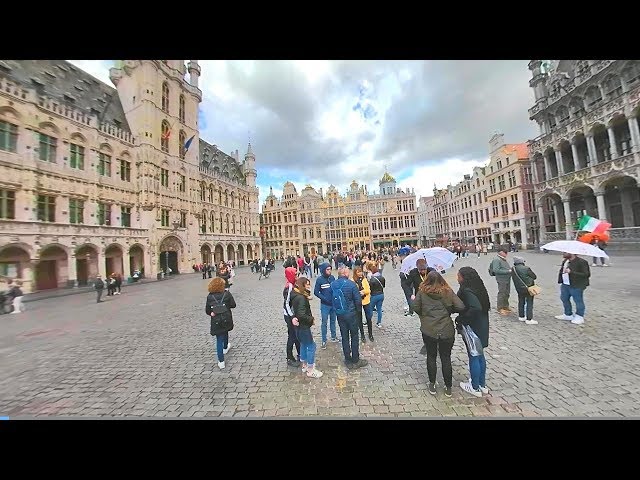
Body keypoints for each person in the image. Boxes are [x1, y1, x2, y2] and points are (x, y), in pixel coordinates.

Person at [412, 271, 465, 397]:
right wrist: (449, 310)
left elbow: (415, 307)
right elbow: (461, 306)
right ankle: (448, 387)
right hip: (446, 329)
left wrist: (424, 315)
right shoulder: (447, 291)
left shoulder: (422, 292)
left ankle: (432, 384)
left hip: (429, 329)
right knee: (446, 358)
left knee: (431, 356)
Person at [456, 267, 490, 397]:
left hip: (473, 326)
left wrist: (462, 319)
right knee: (480, 354)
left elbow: (475, 307)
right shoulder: (478, 287)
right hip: (482, 324)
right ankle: (482, 384)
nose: (457, 277)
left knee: (474, 354)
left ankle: (474, 387)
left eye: (458, 275)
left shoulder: (467, 290)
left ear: (464, 277)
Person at [333, 265, 368, 370]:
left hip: (340, 314)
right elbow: (358, 301)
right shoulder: (352, 284)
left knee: (344, 336)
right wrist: (358, 313)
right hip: (352, 314)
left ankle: (347, 358)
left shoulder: (333, 284)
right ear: (345, 274)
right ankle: (355, 359)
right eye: (348, 272)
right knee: (354, 336)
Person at [290, 276, 323, 378]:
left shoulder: (295, 295)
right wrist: (311, 319)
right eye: (307, 284)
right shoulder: (301, 298)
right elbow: (301, 314)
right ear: (302, 285)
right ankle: (310, 369)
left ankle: (304, 365)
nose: (309, 286)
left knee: (303, 344)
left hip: (299, 326)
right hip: (303, 326)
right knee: (311, 346)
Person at [205, 277, 237, 369]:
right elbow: (233, 305)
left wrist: (211, 312)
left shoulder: (210, 296)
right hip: (226, 317)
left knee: (219, 338)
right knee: (225, 330)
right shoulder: (226, 294)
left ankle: (221, 361)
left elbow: (207, 310)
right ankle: (225, 347)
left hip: (216, 320)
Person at [555, 252, 590, 325]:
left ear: (572, 253)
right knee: (564, 298)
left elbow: (586, 274)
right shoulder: (565, 261)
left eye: (565, 252)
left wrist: (572, 272)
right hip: (565, 283)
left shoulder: (582, 262)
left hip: (577, 284)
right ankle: (568, 314)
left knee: (578, 300)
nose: (563, 253)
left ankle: (579, 316)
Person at [314, 262, 338, 348]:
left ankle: (333, 336)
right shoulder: (319, 280)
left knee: (333, 321)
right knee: (324, 322)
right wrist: (324, 298)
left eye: (330, 269)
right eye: (327, 269)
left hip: (333, 304)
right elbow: (316, 292)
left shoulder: (332, 278)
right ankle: (324, 340)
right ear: (324, 270)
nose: (329, 271)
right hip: (325, 305)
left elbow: (335, 288)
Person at [283, 266, 301, 367]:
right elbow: (286, 304)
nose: (297, 276)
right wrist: (292, 316)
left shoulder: (293, 284)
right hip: (290, 315)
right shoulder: (289, 286)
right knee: (292, 336)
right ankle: (289, 357)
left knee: (296, 335)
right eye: (295, 275)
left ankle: (300, 353)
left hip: (293, 314)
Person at [511, 256, 538, 325]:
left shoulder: (513, 269)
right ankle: (529, 319)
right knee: (529, 303)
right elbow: (534, 276)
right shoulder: (526, 268)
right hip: (528, 288)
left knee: (521, 302)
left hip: (519, 288)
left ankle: (521, 316)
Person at [489, 247, 512, 315]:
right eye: (505, 252)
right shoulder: (497, 260)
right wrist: (508, 271)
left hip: (507, 278)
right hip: (501, 279)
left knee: (507, 292)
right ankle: (500, 308)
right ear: (500, 252)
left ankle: (505, 306)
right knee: (502, 292)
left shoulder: (503, 259)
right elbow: (496, 270)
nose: (506, 254)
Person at [353, 266, 374, 343]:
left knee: (369, 317)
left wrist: (363, 292)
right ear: (355, 273)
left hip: (366, 301)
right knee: (359, 319)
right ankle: (362, 335)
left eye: (361, 271)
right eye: (358, 272)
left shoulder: (365, 280)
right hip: (358, 302)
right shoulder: (353, 281)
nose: (360, 273)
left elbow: (368, 290)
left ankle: (370, 334)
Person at [367, 261, 386, 328]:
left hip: (374, 295)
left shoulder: (372, 279)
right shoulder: (382, 277)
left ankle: (368, 321)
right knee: (379, 309)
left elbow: (370, 288)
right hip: (381, 294)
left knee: (370, 309)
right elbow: (383, 286)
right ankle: (379, 323)